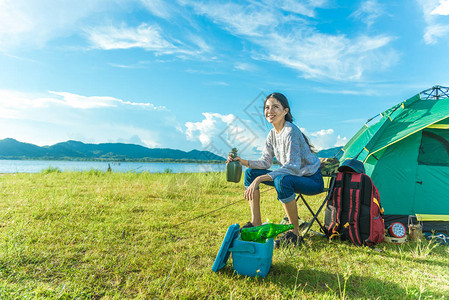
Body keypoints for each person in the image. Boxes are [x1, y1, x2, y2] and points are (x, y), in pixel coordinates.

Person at [227, 92, 324, 247]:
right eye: (267, 107)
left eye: (275, 107)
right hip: (293, 177)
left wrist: (261, 179)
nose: (270, 111)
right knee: (251, 173)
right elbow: (265, 162)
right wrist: (243, 161)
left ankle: (295, 234)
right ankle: (256, 222)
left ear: (285, 111)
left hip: (312, 180)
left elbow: (292, 167)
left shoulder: (290, 132)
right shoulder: (272, 134)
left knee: (281, 180)